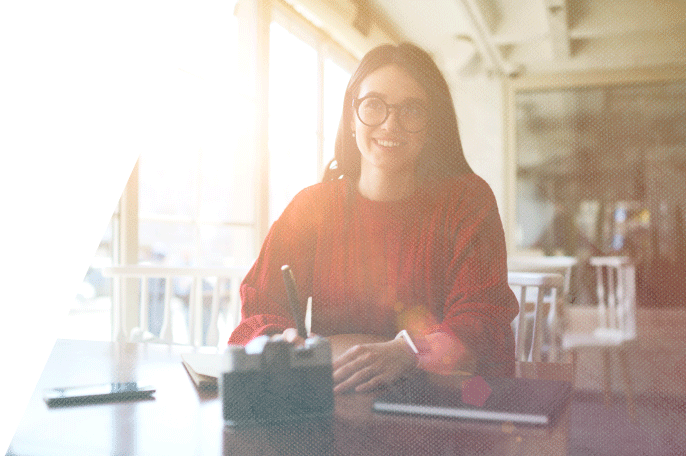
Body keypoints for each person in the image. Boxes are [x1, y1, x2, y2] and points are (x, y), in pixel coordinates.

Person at [228, 42, 518, 393]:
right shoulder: (312, 206)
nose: (390, 123)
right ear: (352, 117)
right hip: (336, 400)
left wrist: (408, 350)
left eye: (411, 110)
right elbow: (257, 308)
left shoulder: (467, 201)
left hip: (441, 406)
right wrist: (279, 340)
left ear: (431, 126)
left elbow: (483, 322)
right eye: (373, 105)